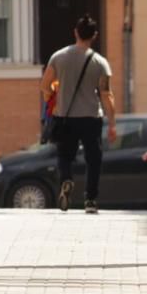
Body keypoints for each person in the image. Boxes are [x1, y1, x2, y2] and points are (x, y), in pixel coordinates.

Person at [40, 14, 117, 213]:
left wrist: (52, 96)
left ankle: (66, 179)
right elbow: (106, 94)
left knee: (64, 155)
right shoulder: (100, 62)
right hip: (91, 117)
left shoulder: (58, 57)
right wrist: (113, 123)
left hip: (64, 116)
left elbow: (45, 85)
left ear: (75, 32)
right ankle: (90, 200)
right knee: (94, 159)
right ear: (95, 36)